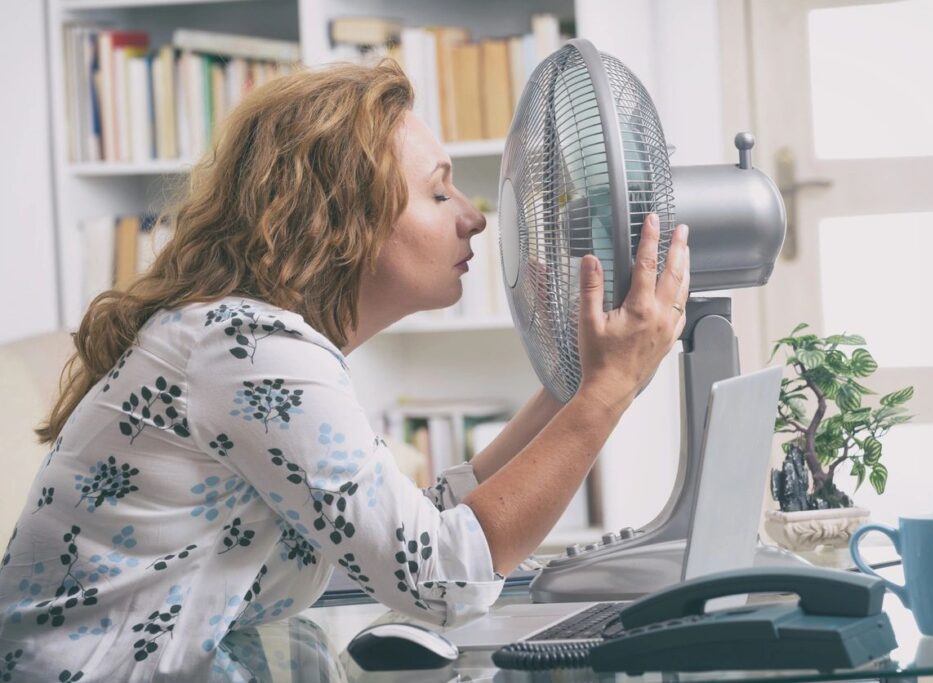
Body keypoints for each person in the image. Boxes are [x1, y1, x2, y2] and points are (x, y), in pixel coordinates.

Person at [0, 60, 690, 681]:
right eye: (439, 193)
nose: (475, 219)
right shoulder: (248, 350)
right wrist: (605, 391)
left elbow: (419, 527)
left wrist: (577, 378)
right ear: (342, 217)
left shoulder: (246, 344)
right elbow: (442, 576)